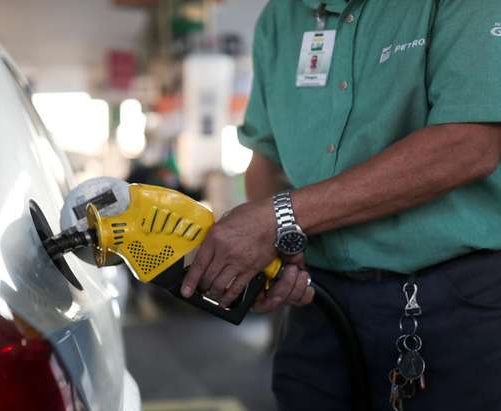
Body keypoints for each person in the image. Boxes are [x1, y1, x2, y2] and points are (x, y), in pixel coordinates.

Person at [180, 0, 501, 410]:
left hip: (454, 305)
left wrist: (280, 218)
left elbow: (467, 145)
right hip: (319, 303)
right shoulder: (281, 18)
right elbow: (266, 158)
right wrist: (278, 254)